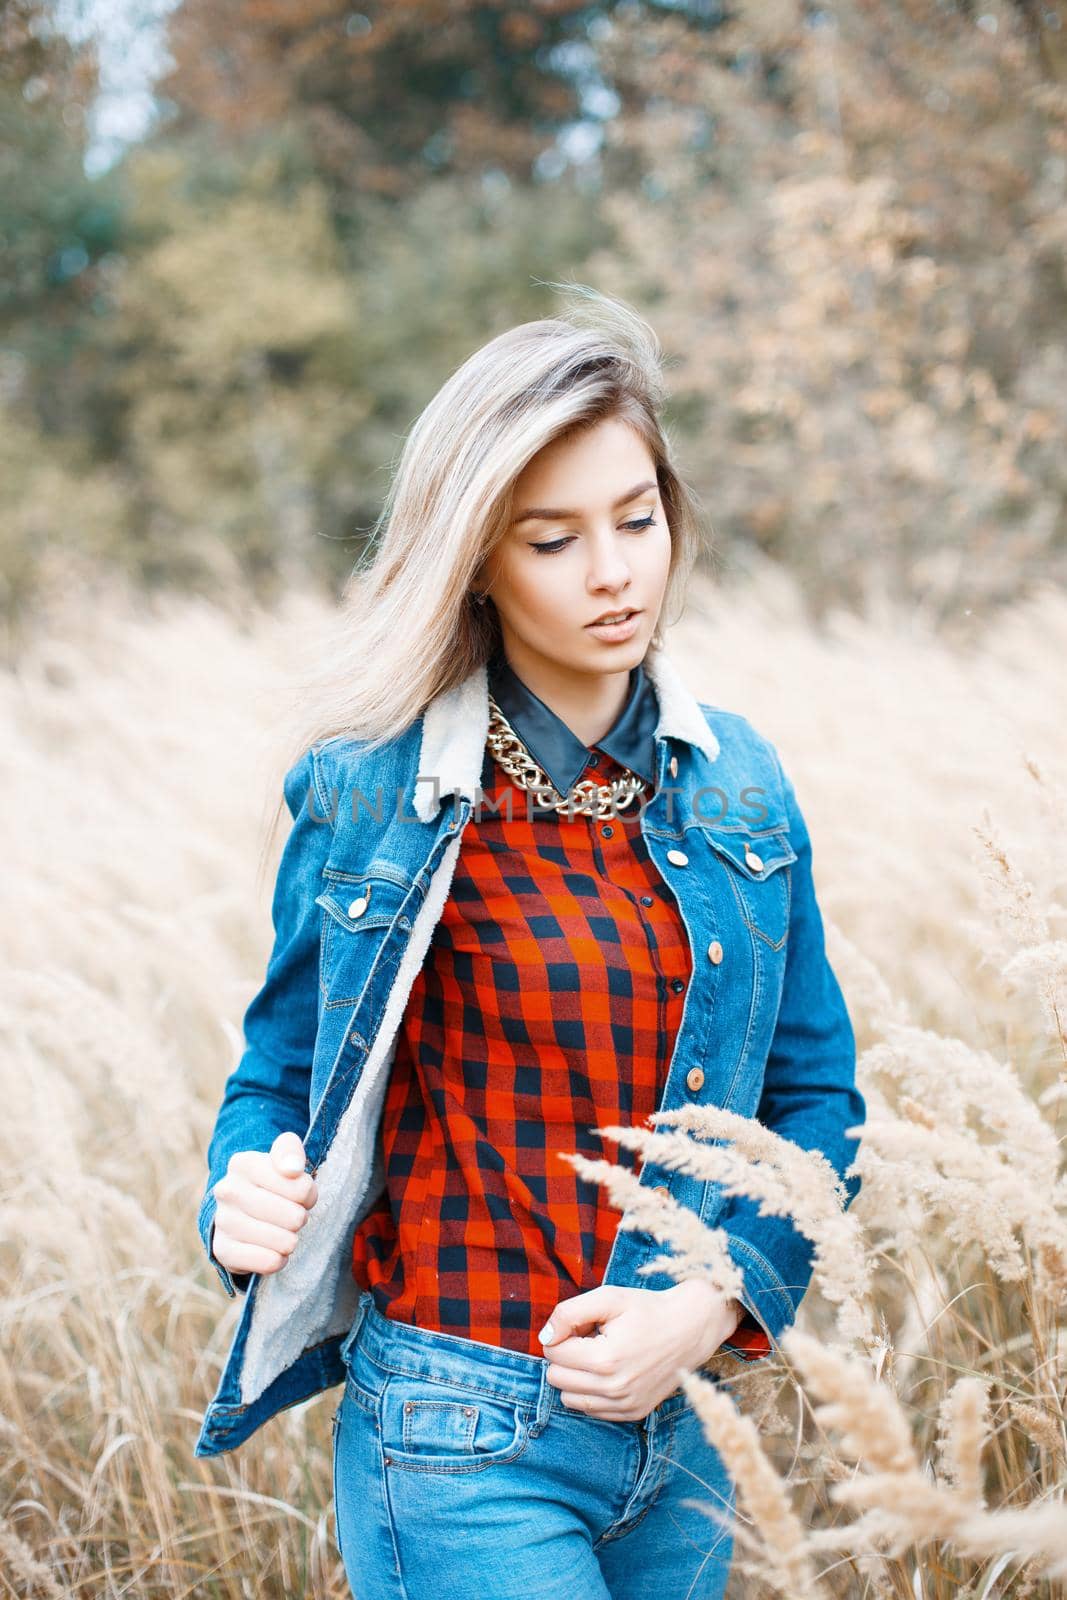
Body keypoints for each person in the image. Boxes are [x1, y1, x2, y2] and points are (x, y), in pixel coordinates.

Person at [195, 285, 865, 1600]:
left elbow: (817, 1102)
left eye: (639, 517)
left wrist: (713, 1306)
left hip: (677, 1436)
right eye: (554, 540)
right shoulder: (374, 790)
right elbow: (279, 1074)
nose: (617, 571)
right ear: (479, 562)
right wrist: (239, 1190)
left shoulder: (739, 789)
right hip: (456, 1430)